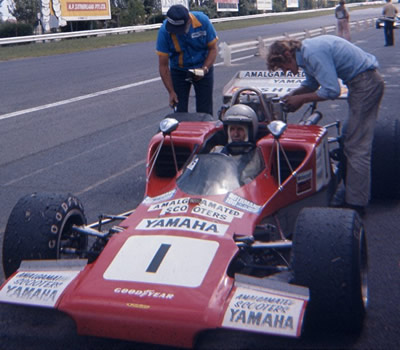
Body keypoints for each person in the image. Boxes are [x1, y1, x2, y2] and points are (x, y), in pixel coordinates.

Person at [266, 35, 385, 215]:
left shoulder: (312, 53)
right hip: (360, 83)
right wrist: (292, 96)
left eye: (284, 66)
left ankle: (356, 205)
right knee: (348, 137)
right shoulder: (305, 53)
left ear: (288, 54)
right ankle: (348, 190)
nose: (286, 71)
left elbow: (331, 90)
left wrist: (301, 98)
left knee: (356, 147)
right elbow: (312, 83)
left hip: (366, 84)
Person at [156, 5, 218, 115]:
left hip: (203, 66)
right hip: (179, 70)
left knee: (205, 111)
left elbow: (213, 49)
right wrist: (171, 91)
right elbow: (163, 65)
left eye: (179, 29)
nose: (177, 33)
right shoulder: (164, 31)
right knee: (179, 110)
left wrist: (205, 69)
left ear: (189, 21)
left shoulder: (202, 21)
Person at [213, 104, 264, 184]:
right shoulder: (217, 152)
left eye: (240, 129)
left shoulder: (258, 156)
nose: (235, 134)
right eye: (232, 129)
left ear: (249, 131)